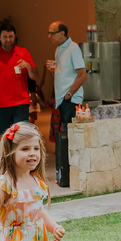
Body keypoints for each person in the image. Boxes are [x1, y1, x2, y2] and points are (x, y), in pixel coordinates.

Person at [46, 21, 87, 187]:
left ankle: (73, 175)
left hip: (70, 100)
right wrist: (53, 69)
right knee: (64, 137)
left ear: (62, 33)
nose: (49, 36)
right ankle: (66, 174)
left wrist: (69, 95)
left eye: (52, 33)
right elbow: (65, 73)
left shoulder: (73, 48)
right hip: (62, 100)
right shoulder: (59, 49)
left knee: (71, 137)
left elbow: (82, 74)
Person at [0, 23, 37, 135]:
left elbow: (34, 76)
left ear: (15, 36)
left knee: (20, 136)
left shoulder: (23, 52)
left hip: (20, 103)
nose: (8, 40)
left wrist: (28, 66)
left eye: (11, 37)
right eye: (5, 37)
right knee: (5, 138)